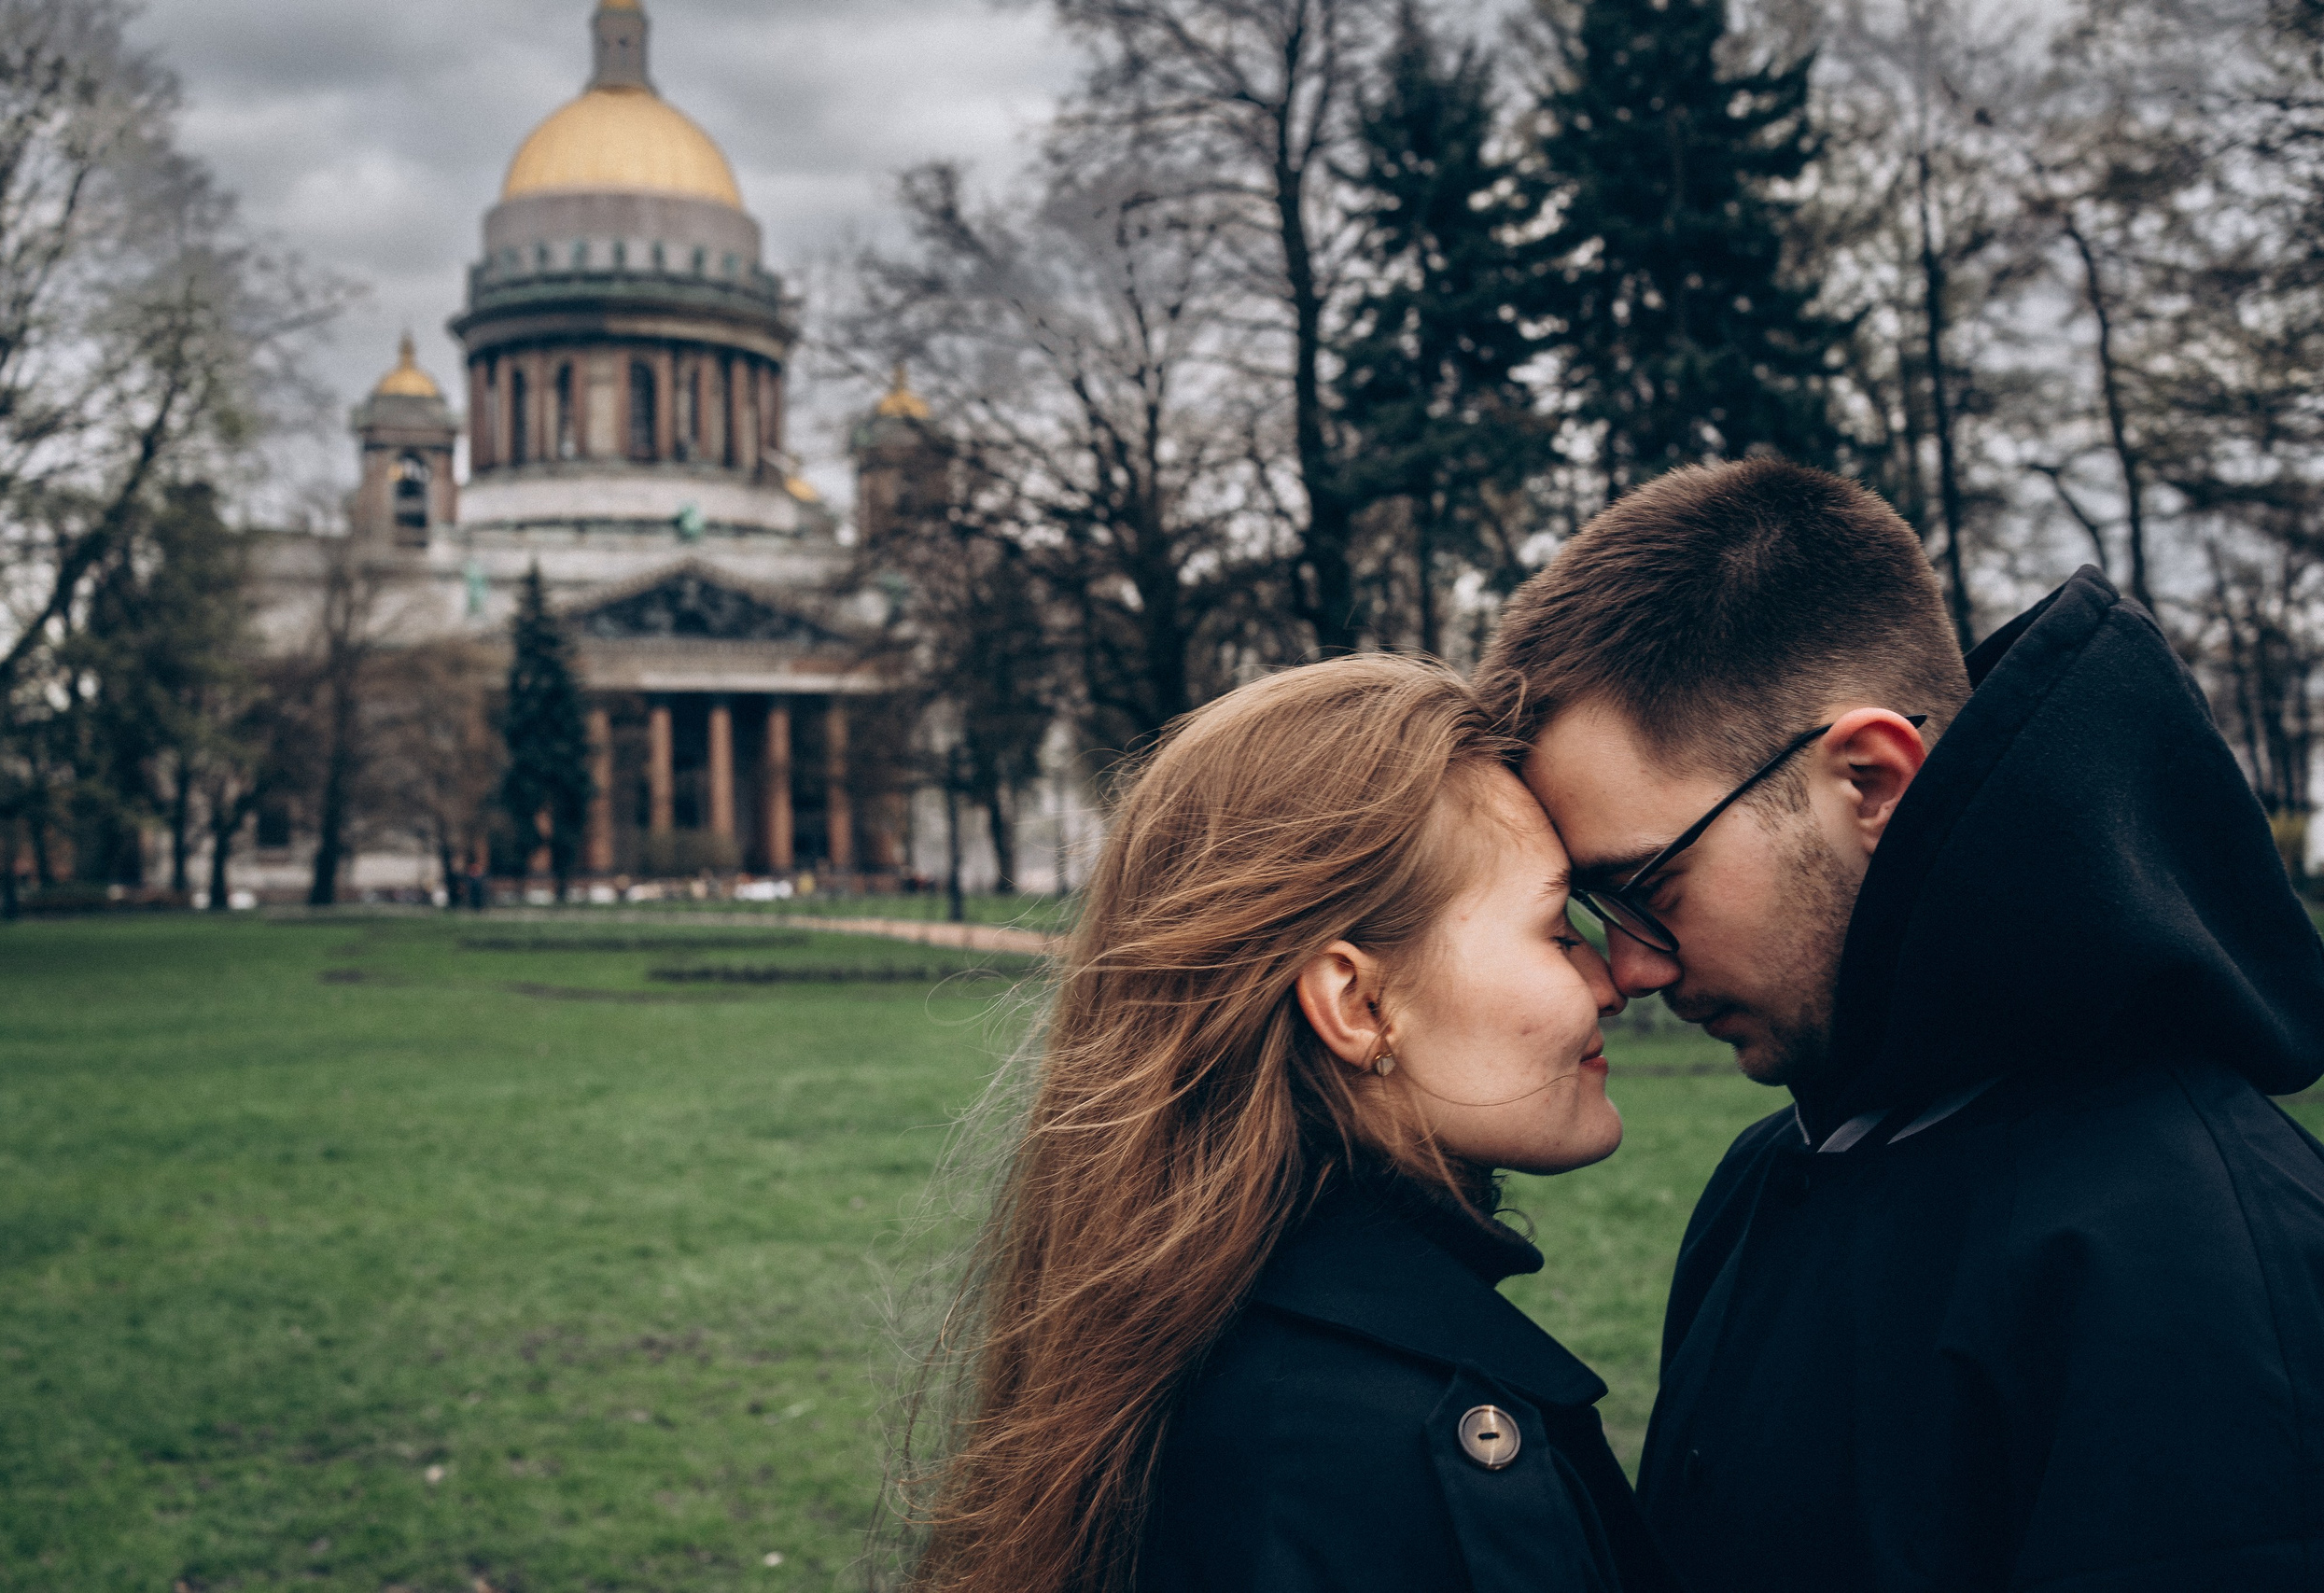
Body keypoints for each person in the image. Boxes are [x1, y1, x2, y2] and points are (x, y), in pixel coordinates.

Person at [1477, 457, 2324, 1592]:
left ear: (1869, 782)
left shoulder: (2195, 1256)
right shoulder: (1765, 1183)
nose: (1625, 968)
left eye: (1653, 886)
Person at [898, 655, 1678, 1593]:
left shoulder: (1203, 1343)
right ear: (1356, 1004)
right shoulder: (1373, 1448)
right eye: (1557, 932)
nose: (1611, 980)